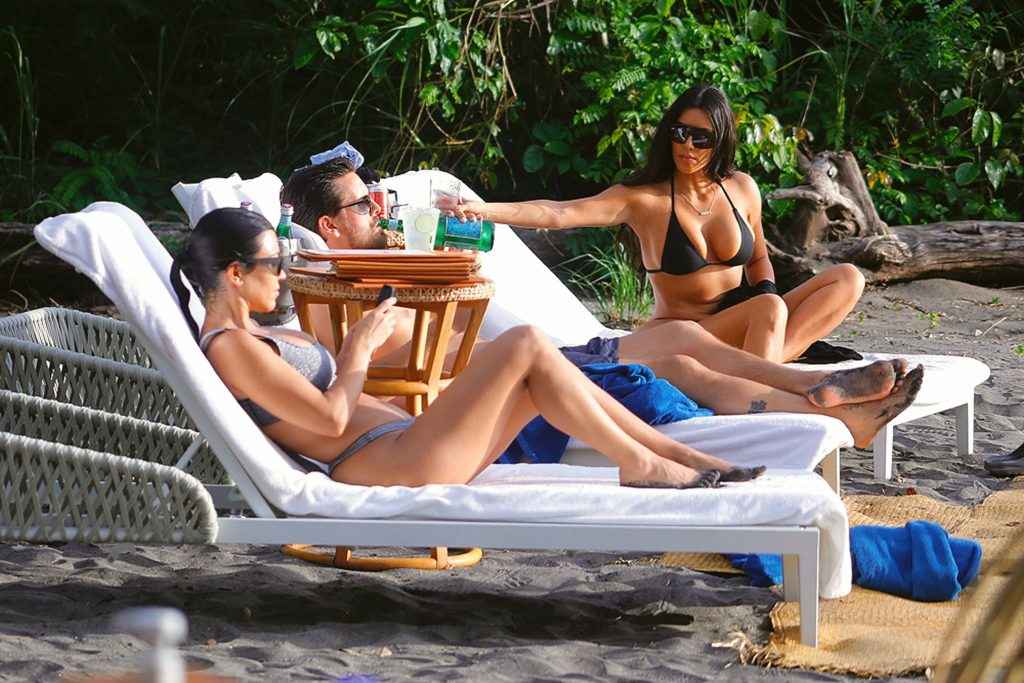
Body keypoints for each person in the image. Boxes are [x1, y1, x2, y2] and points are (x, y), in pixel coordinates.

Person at [280, 154, 923, 445]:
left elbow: (459, 282)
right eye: (363, 203)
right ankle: (833, 409)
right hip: (514, 387)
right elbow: (384, 395)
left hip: (528, 364)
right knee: (680, 360)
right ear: (329, 227)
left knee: (683, 342)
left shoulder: (377, 268)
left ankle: (819, 387)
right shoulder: (329, 292)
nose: (379, 206)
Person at [170, 207, 776, 489]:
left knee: (538, 368)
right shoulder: (231, 347)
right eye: (273, 264)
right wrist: (357, 350)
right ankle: (645, 464)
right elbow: (328, 419)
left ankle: (671, 456)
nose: (283, 273)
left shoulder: (257, 335)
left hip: (408, 441)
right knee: (525, 343)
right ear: (234, 273)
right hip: (393, 463)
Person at [444, 84, 865, 364]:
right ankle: (767, 374)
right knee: (770, 309)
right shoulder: (644, 199)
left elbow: (757, 260)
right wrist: (483, 210)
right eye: (680, 133)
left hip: (746, 320)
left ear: (720, 141)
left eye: (701, 138)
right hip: (684, 334)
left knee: (847, 278)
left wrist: (766, 296)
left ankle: (768, 360)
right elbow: (559, 213)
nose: (687, 146)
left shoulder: (741, 188)